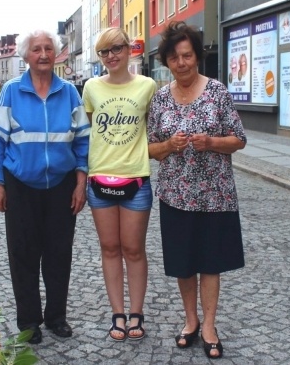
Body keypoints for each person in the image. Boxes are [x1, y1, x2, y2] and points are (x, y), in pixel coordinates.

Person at [147, 21, 246, 360]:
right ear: (167, 62)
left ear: (197, 56)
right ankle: (190, 321)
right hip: (175, 194)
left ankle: (209, 326)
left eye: (187, 55)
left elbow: (239, 139)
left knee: (211, 262)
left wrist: (212, 142)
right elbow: (148, 148)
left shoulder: (217, 91)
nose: (182, 63)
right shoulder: (160, 98)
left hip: (214, 194)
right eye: (174, 58)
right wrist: (168, 147)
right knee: (184, 263)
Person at [0, 29, 90, 345]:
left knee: (59, 254)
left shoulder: (69, 92)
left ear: (55, 54)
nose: (43, 54)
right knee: (23, 255)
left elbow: (83, 140)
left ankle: (57, 316)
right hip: (20, 185)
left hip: (61, 184)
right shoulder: (12, 92)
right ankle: (30, 322)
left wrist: (80, 182)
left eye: (48, 48)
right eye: (36, 49)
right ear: (26, 55)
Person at [81, 27, 157, 342]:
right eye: (104, 52)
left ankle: (136, 312)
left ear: (129, 50)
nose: (111, 57)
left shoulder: (147, 86)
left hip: (135, 178)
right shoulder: (91, 88)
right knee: (110, 248)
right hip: (99, 178)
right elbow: (89, 130)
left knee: (134, 249)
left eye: (116, 49)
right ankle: (118, 314)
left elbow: (154, 128)